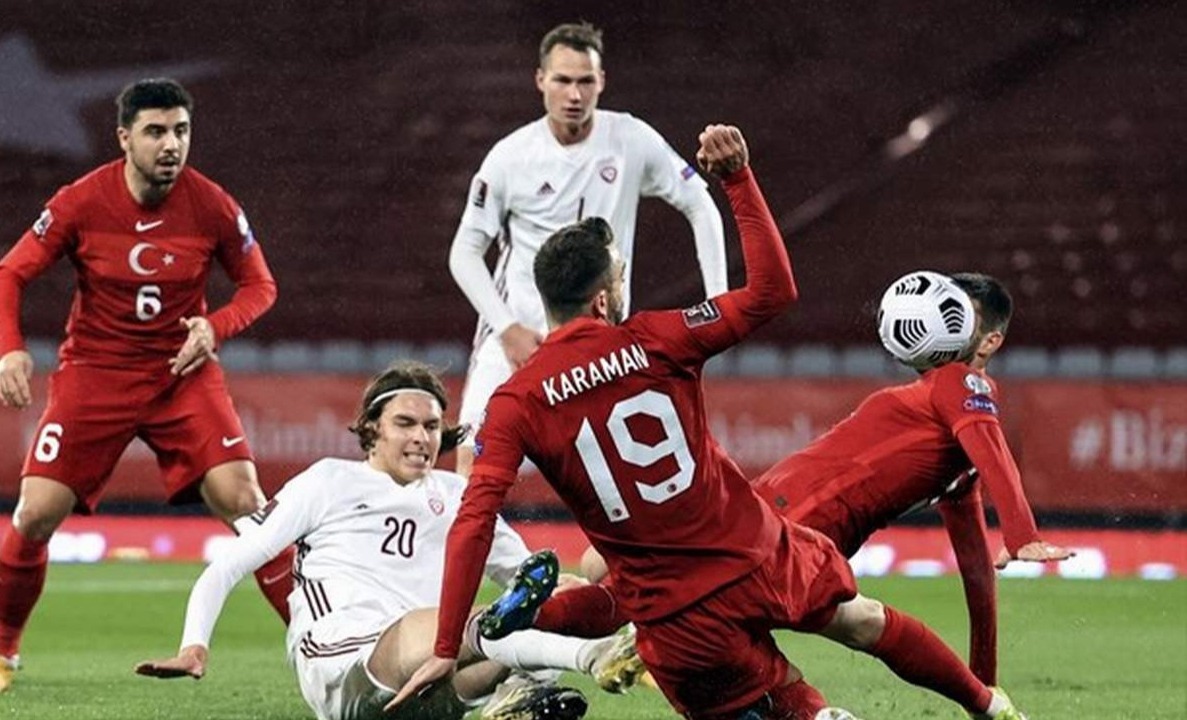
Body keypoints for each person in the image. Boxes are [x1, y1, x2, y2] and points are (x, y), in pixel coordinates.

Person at [391, 126, 1029, 720]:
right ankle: (989, 706)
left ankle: (509, 628)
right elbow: (774, 292)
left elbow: (474, 519)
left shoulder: (516, 401)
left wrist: (447, 644)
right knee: (863, 622)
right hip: (758, 552)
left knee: (766, 691)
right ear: (605, 297)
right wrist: (739, 180)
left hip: (672, 611)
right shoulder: (658, 338)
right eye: (621, 275)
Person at [540, 272, 1075, 687]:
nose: (944, 320)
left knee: (615, 580)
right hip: (783, 525)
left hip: (779, 522)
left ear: (988, 341)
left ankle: (517, 628)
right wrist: (1021, 537)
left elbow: (976, 565)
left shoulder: (957, 401)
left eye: (958, 314)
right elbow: (986, 448)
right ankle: (521, 627)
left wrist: (986, 668)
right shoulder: (950, 392)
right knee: (623, 593)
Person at [0, 78, 293, 694]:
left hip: (182, 376)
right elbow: (6, 275)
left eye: (181, 131)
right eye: (156, 132)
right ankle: (1, 655)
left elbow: (260, 286)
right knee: (35, 514)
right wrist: (10, 350)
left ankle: (322, 646)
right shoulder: (81, 201)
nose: (171, 145)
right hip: (96, 374)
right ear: (124, 138)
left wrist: (214, 327)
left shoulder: (214, 205)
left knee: (250, 505)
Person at [135, 362, 638, 720]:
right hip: (343, 661)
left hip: (434, 679)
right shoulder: (329, 480)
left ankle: (517, 694)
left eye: (432, 426)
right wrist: (194, 645)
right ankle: (592, 656)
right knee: (486, 622)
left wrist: (583, 590)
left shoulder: (456, 495)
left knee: (544, 605)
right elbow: (229, 565)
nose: (422, 437)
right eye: (405, 423)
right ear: (372, 427)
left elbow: (527, 582)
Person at [450, 21, 728, 477]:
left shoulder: (631, 140)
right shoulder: (509, 157)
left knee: (619, 475)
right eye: (562, 80)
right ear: (541, 80)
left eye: (585, 81)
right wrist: (507, 328)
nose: (574, 94)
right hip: (519, 338)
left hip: (600, 347)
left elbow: (700, 204)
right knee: (473, 464)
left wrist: (717, 301)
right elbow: (464, 253)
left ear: (601, 81)